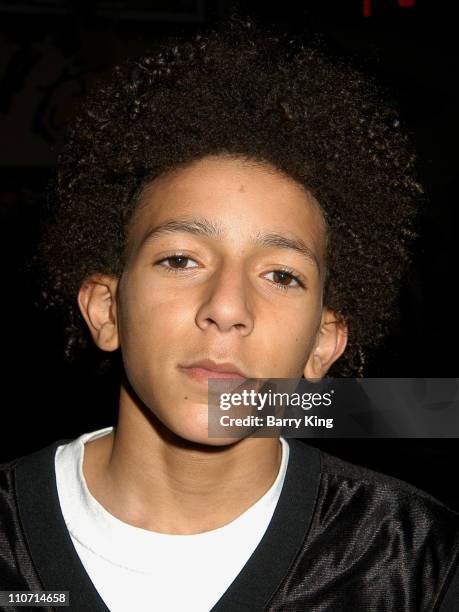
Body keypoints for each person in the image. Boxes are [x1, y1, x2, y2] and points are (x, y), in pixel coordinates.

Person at [1, 16, 458, 612]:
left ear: (324, 342)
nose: (227, 308)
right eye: (181, 259)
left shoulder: (419, 559)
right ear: (107, 309)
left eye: (280, 275)